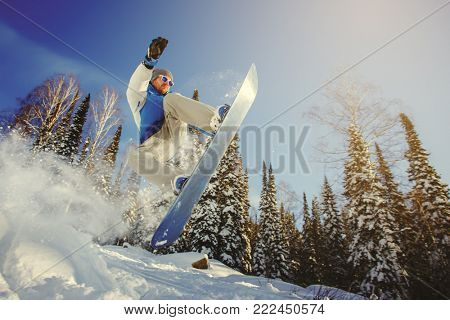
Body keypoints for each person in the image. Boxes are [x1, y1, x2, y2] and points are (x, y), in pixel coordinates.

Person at [126, 37, 229, 195]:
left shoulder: (170, 99)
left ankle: (214, 121)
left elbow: (186, 111)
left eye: (170, 82)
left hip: (173, 136)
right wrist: (149, 61)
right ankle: (175, 181)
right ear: (153, 79)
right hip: (152, 148)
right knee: (133, 156)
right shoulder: (139, 98)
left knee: (171, 98)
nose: (167, 83)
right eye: (164, 79)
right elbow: (135, 84)